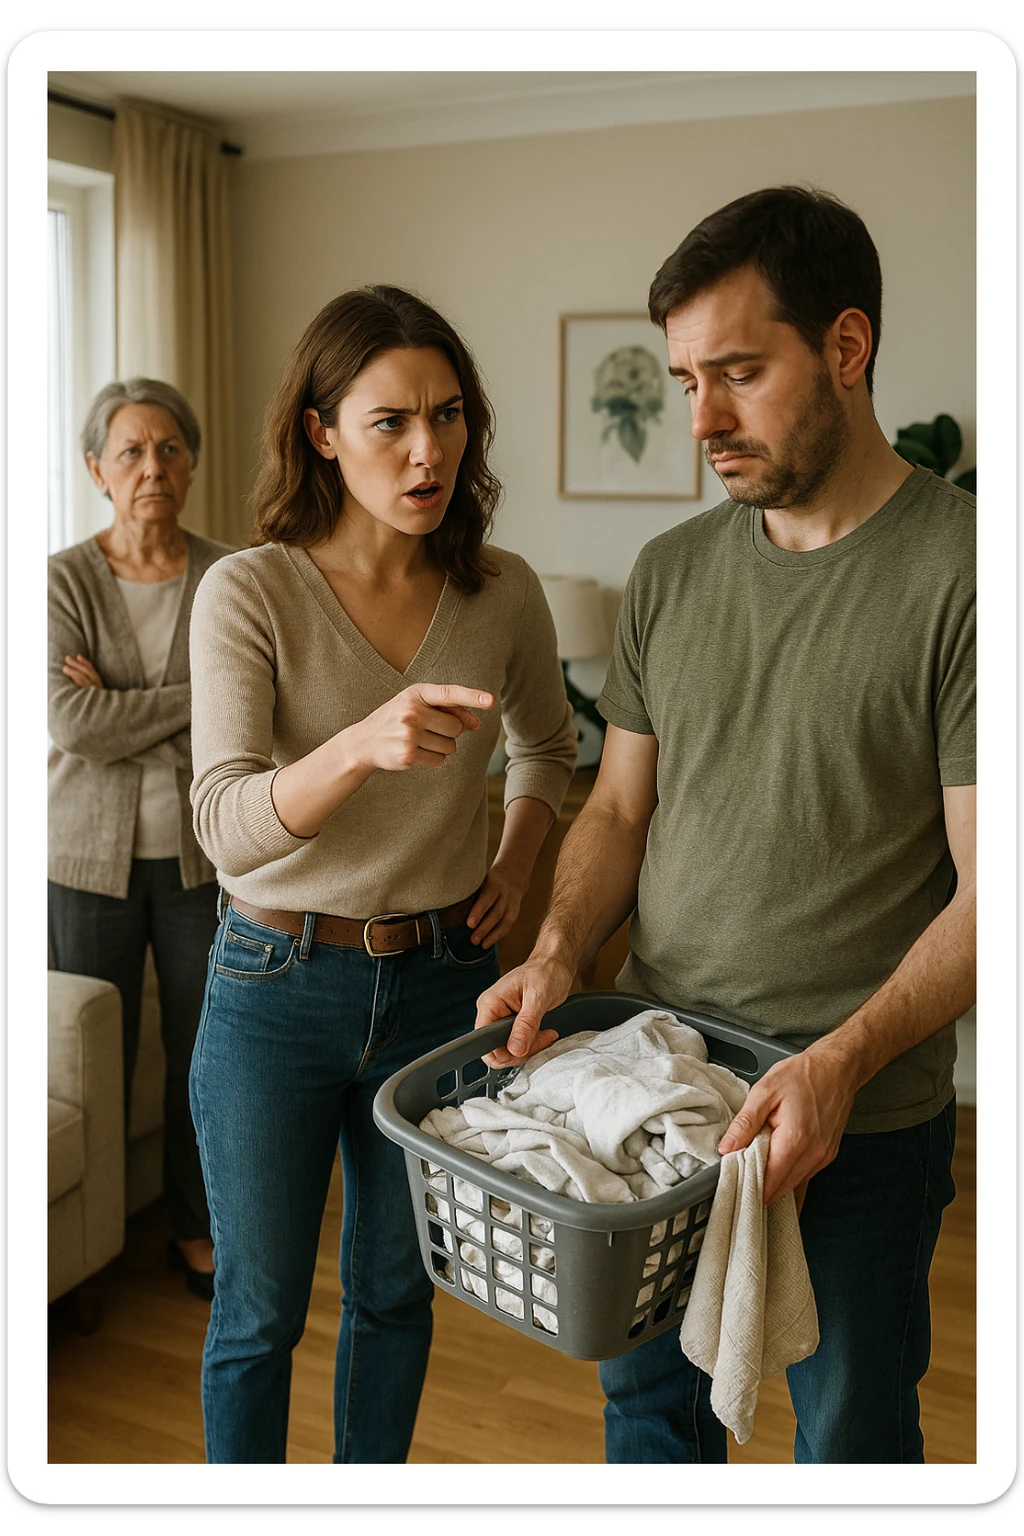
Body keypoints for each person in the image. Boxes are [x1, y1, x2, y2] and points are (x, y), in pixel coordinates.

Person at [475, 186, 976, 1465]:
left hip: (851, 1121)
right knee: (650, 1426)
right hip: (662, 1093)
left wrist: (840, 1062)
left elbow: (995, 896)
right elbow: (618, 809)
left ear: (847, 350)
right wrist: (553, 949)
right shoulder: (672, 573)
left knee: (850, 1441)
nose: (699, 419)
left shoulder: (970, 575)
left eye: (738, 374)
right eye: (683, 379)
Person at [186, 284, 577, 1464]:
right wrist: (360, 744)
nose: (429, 452)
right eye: (391, 423)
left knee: (397, 1299)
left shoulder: (500, 588)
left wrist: (517, 851)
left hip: (439, 984)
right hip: (274, 987)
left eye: (449, 417)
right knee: (255, 1318)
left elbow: (548, 747)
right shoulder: (247, 591)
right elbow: (224, 824)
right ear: (320, 431)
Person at [48, 378, 234, 1301]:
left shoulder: (229, 574)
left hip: (203, 859)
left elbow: (252, 717)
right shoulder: (61, 579)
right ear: (97, 470)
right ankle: (91, 1250)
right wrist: (195, 700)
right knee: (97, 1053)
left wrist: (125, 704)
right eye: (130, 451)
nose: (152, 466)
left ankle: (195, 1230)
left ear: (190, 463)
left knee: (203, 1052)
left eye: (168, 447)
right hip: (85, 864)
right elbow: (72, 722)